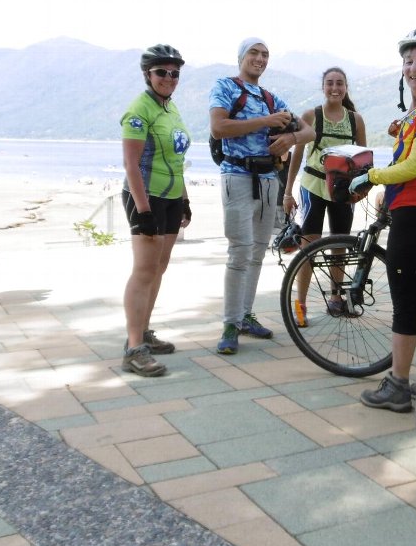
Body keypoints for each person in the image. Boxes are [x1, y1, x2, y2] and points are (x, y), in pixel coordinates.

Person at [350, 29, 416, 412]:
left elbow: (413, 166)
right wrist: (384, 193)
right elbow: (407, 167)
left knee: (407, 303)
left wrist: (370, 176)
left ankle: (399, 386)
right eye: (409, 61)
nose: (414, 67)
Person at [209, 37, 316, 354]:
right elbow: (218, 128)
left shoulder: (272, 98)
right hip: (237, 176)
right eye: (253, 53)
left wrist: (291, 138)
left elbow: (310, 132)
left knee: (256, 251)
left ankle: (245, 316)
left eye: (265, 54)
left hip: (269, 179)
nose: (259, 58)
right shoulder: (225, 87)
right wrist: (267, 122)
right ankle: (230, 323)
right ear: (241, 57)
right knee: (239, 251)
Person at [119, 44, 193, 377]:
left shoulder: (170, 109)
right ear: (148, 75)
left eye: (174, 73)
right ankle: (134, 348)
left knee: (159, 268)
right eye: (162, 72)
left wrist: (185, 199)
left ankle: (144, 332)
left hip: (172, 196)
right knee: (144, 270)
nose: (169, 78)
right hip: (145, 196)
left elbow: (176, 161)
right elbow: (131, 164)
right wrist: (143, 210)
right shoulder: (140, 109)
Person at [282, 67, 368, 327]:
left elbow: (363, 158)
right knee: (309, 245)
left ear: (345, 87)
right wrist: (287, 192)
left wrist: (362, 188)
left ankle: (336, 298)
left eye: (339, 83)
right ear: (323, 87)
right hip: (313, 186)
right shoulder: (312, 115)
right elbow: (297, 156)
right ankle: (301, 304)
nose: (334, 88)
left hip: (342, 189)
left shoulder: (355, 119)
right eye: (330, 83)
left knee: (339, 244)